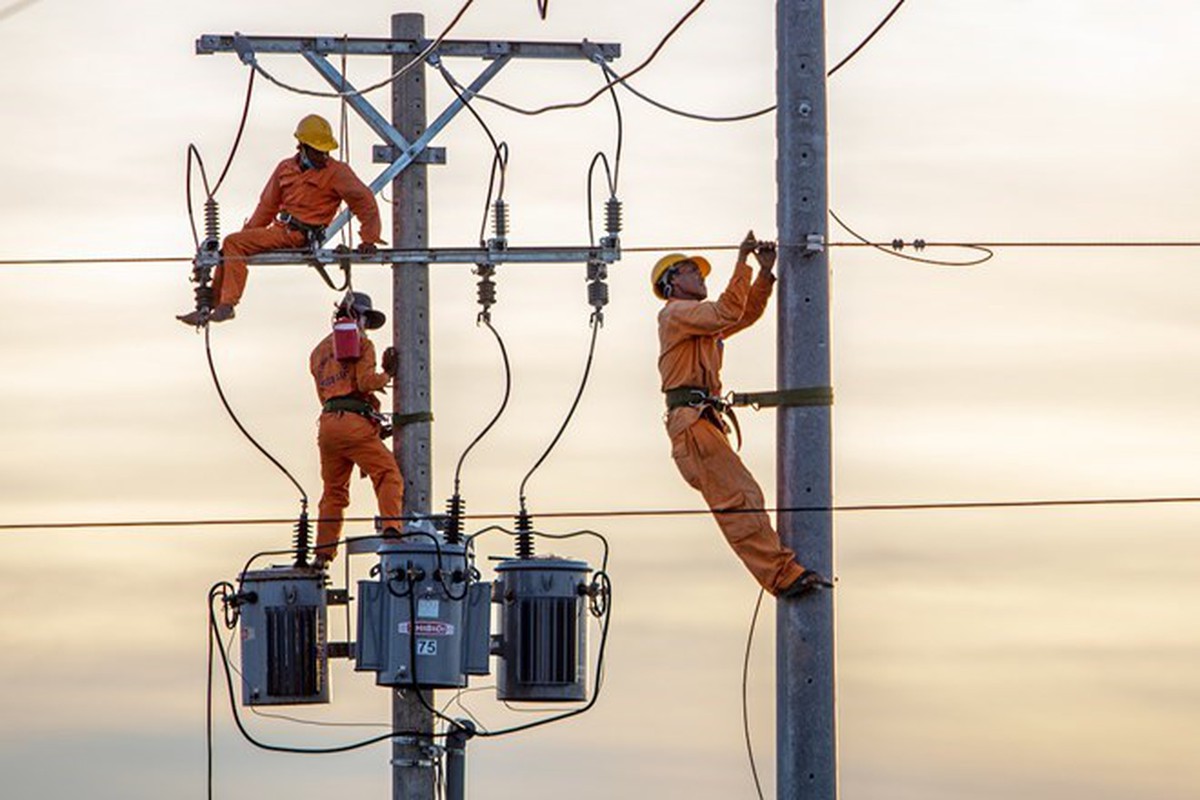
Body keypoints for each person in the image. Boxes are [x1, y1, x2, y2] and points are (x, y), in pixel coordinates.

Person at [653, 230, 832, 598]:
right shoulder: (675, 315)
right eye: (691, 271)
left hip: (701, 421)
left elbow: (743, 314)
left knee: (744, 497)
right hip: (691, 424)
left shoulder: (698, 323)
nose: (701, 276)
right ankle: (782, 576)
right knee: (739, 500)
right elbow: (727, 311)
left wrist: (764, 274)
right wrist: (742, 262)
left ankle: (783, 572)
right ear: (672, 283)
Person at [178, 114, 383, 326]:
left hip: (300, 235)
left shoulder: (337, 172)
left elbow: (364, 202)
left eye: (325, 151)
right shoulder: (285, 168)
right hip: (281, 230)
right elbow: (267, 206)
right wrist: (248, 235)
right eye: (317, 150)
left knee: (233, 244)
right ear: (302, 147)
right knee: (230, 249)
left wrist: (369, 239)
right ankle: (210, 306)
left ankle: (227, 305)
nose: (323, 156)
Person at [309, 291, 402, 567]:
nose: (366, 327)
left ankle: (323, 554)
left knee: (333, 493)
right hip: (352, 424)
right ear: (358, 317)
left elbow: (328, 393)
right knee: (387, 473)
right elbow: (363, 383)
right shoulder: (363, 343)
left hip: (328, 426)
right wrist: (387, 374)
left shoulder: (318, 352)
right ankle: (393, 530)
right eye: (366, 320)